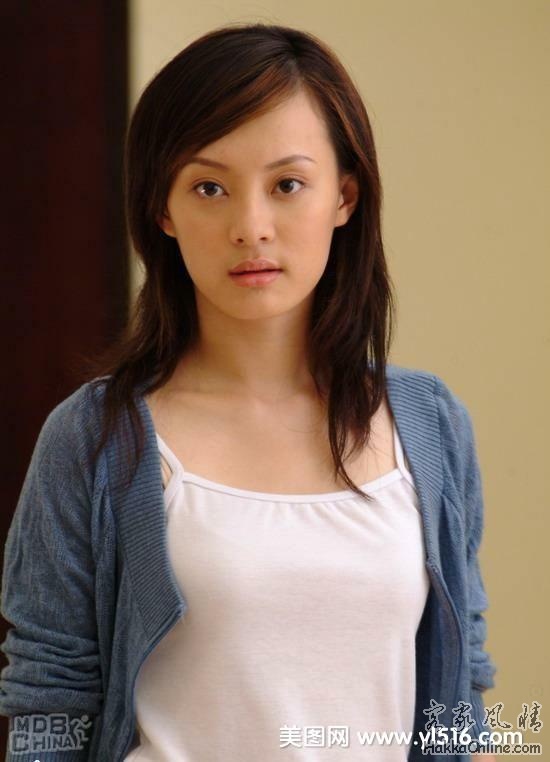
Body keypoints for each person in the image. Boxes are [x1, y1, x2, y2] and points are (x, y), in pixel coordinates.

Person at [0, 22, 497, 762]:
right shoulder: (94, 438)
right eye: (209, 188)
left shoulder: (431, 425)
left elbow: (463, 693)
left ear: (345, 196)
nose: (251, 226)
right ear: (163, 210)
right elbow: (50, 703)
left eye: (287, 185)